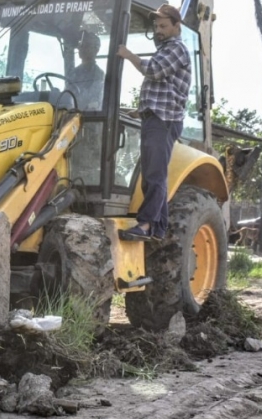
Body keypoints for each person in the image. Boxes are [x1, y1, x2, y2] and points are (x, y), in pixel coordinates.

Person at [116, 3, 191, 241]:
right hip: (155, 117)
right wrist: (141, 111)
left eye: (163, 26)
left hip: (164, 121)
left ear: (177, 26)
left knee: (154, 176)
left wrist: (128, 55)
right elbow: (164, 90)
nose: (158, 30)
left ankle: (146, 224)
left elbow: (155, 71)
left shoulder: (176, 48)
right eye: (156, 26)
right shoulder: (166, 48)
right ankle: (159, 229)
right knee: (152, 176)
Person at [69, 31, 105, 111]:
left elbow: (93, 103)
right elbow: (67, 96)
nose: (81, 48)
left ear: (96, 50)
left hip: (89, 118)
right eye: (80, 44)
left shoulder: (98, 75)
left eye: (87, 45)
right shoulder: (74, 72)